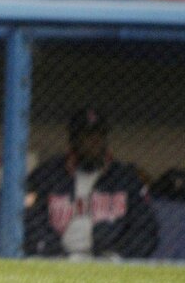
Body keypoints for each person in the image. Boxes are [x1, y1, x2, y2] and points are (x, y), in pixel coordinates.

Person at [24, 109, 159, 259]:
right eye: (87, 136)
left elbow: (146, 229)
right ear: (73, 140)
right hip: (58, 260)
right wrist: (52, 252)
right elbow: (30, 220)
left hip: (110, 263)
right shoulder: (48, 175)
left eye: (99, 136)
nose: (94, 142)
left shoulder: (125, 178)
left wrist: (116, 256)